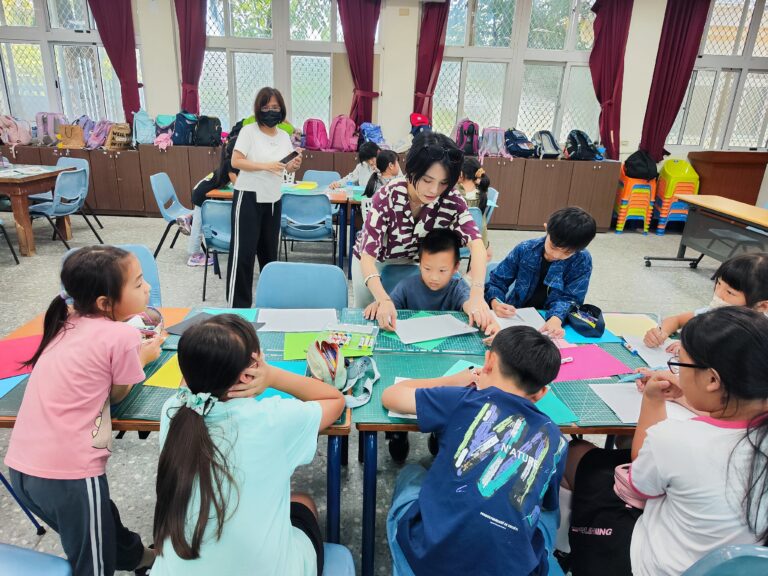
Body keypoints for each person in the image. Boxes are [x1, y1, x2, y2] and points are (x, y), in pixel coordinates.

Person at [565, 307, 768, 576]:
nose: (676, 373)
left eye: (680, 364)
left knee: (579, 457)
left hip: (654, 566)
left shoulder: (677, 439)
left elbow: (639, 484)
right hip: (732, 566)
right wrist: (686, 395)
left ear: (712, 379)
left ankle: (566, 550)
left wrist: (653, 400)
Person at [4, 246, 163, 576]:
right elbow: (118, 393)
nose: (147, 288)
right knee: (92, 564)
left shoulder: (65, 320)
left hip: (22, 468)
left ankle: (141, 559)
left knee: (102, 521)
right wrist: (143, 357)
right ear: (105, 303)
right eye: (138, 283)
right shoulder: (121, 334)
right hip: (69, 476)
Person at [151, 315, 345, 576]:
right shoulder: (273, 420)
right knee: (303, 502)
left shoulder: (173, 411)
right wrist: (273, 376)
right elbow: (335, 400)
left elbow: (194, 381)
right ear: (248, 374)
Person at [381, 326, 567, 576]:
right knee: (546, 512)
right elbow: (546, 504)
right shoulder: (556, 439)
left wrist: (452, 381)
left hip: (430, 559)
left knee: (412, 473)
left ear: (488, 361)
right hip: (513, 570)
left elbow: (391, 395)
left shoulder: (464, 399)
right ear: (542, 392)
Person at [353, 131, 493, 333]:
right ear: (412, 170)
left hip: (413, 260)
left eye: (443, 182)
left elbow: (477, 246)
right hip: (373, 262)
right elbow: (367, 258)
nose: (434, 190)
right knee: (370, 318)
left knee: (405, 316)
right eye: (427, 180)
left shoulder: (451, 199)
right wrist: (382, 299)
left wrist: (477, 295)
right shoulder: (387, 196)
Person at [227, 87, 302, 308]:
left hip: (273, 199)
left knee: (270, 257)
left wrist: (294, 164)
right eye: (266, 107)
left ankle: (271, 306)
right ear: (259, 109)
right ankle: (238, 310)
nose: (271, 111)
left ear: (282, 110)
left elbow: (285, 165)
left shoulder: (284, 136)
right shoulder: (248, 132)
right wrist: (265, 166)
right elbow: (236, 161)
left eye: (275, 107)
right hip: (248, 197)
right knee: (243, 256)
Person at [485, 207, 597, 339]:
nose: (556, 255)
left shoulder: (582, 260)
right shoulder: (525, 249)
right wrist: (496, 303)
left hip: (554, 320)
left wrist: (556, 318)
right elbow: (497, 282)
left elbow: (571, 298)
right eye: (553, 246)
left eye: (567, 252)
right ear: (546, 229)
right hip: (515, 314)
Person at [644, 251, 768, 348]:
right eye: (718, 283)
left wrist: (692, 350)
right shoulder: (714, 312)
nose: (718, 294)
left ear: (762, 306)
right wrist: (660, 333)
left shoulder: (758, 339)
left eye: (730, 292)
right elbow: (677, 320)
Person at [380, 229, 473, 316]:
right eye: (427, 269)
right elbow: (388, 307)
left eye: (442, 270)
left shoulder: (459, 289)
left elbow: (469, 304)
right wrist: (380, 306)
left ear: (455, 267)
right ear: (420, 264)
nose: (434, 277)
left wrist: (473, 308)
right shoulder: (405, 287)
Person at [178, 141, 240, 267]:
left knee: (201, 216)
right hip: (202, 195)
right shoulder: (230, 163)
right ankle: (194, 256)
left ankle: (188, 217)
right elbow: (238, 185)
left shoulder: (227, 162)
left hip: (201, 190)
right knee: (198, 227)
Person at [456, 156, 492, 259]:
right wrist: (486, 246)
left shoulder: (455, 194)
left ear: (461, 174)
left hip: (453, 243)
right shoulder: (482, 193)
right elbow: (483, 226)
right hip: (475, 241)